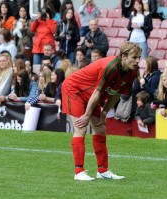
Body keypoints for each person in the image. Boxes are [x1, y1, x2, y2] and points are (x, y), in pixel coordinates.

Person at [61, 42, 141, 181]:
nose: (138, 61)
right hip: (74, 89)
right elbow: (98, 92)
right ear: (123, 56)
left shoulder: (131, 72)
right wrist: (86, 115)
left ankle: (102, 171)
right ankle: (79, 172)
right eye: (134, 57)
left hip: (91, 94)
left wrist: (104, 114)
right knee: (81, 127)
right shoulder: (110, 67)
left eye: (139, 57)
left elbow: (116, 94)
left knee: (101, 128)